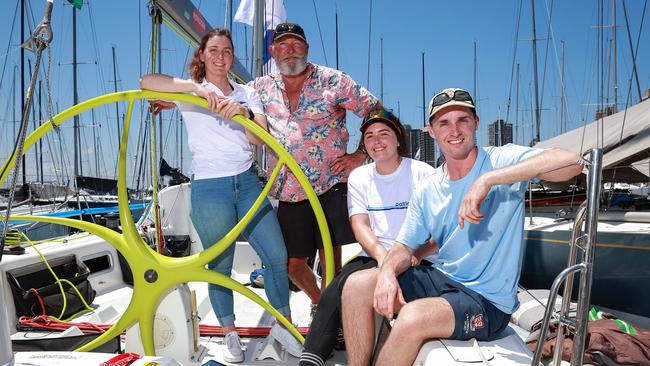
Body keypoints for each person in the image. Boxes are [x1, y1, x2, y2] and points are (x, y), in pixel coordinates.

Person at [340, 88, 584, 366]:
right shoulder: (427, 188)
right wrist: (386, 273)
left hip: (488, 301)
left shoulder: (500, 160)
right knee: (356, 285)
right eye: (443, 123)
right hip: (444, 280)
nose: (454, 130)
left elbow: (572, 162)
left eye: (462, 120)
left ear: (476, 123)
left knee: (412, 318)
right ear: (431, 131)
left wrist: (488, 180)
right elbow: (404, 246)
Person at [139, 28, 301, 363]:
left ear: (232, 57)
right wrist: (194, 87)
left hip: (247, 184)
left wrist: (243, 114)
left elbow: (260, 139)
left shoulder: (247, 92)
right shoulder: (189, 92)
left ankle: (282, 324)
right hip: (210, 187)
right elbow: (146, 81)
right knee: (220, 266)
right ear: (202, 55)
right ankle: (229, 334)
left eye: (226, 51)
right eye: (213, 50)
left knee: (276, 256)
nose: (220, 56)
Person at [250, 23, 381, 310]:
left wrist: (360, 155)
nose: (289, 49)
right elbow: (223, 95)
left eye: (296, 43)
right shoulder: (259, 87)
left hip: (329, 182)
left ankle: (330, 315)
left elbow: (375, 109)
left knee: (329, 259)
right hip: (289, 188)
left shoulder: (334, 81)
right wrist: (175, 101)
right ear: (272, 51)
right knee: (292, 264)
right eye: (282, 44)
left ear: (306, 49)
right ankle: (323, 306)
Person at [299, 109, 437, 366]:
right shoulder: (359, 177)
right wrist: (384, 258)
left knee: (359, 285)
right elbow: (359, 224)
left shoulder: (423, 173)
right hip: (375, 254)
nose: (376, 141)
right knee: (332, 291)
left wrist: (416, 254)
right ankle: (310, 360)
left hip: (416, 256)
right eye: (370, 136)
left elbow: (442, 230)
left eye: (384, 134)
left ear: (398, 139)